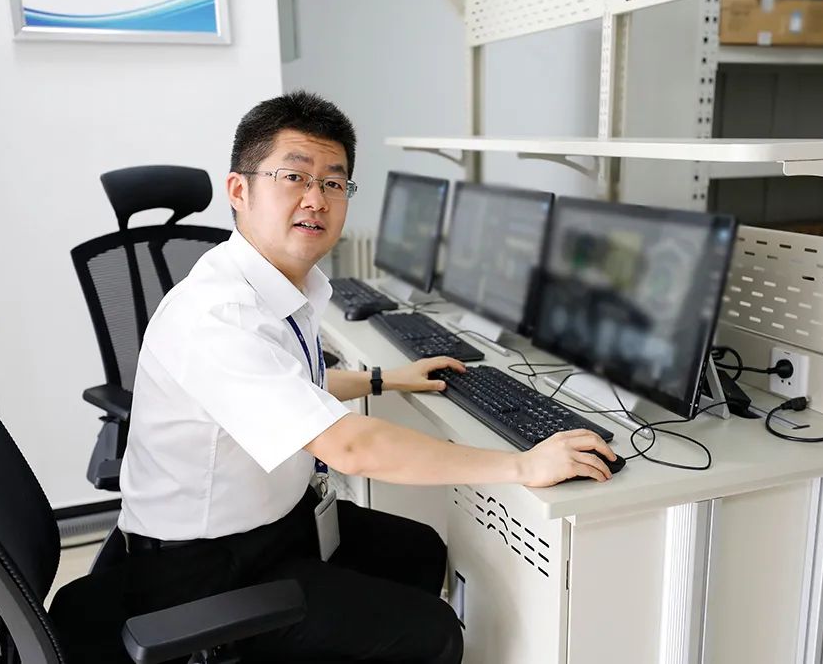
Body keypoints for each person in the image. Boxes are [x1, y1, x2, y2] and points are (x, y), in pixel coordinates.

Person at [117, 90, 617, 663]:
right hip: (201, 573)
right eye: (294, 176)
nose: (316, 199)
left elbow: (293, 389)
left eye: (334, 183)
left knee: (420, 551)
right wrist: (522, 465)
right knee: (432, 633)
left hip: (274, 526)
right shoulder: (219, 314)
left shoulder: (278, 285)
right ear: (239, 190)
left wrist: (386, 379)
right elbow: (349, 447)